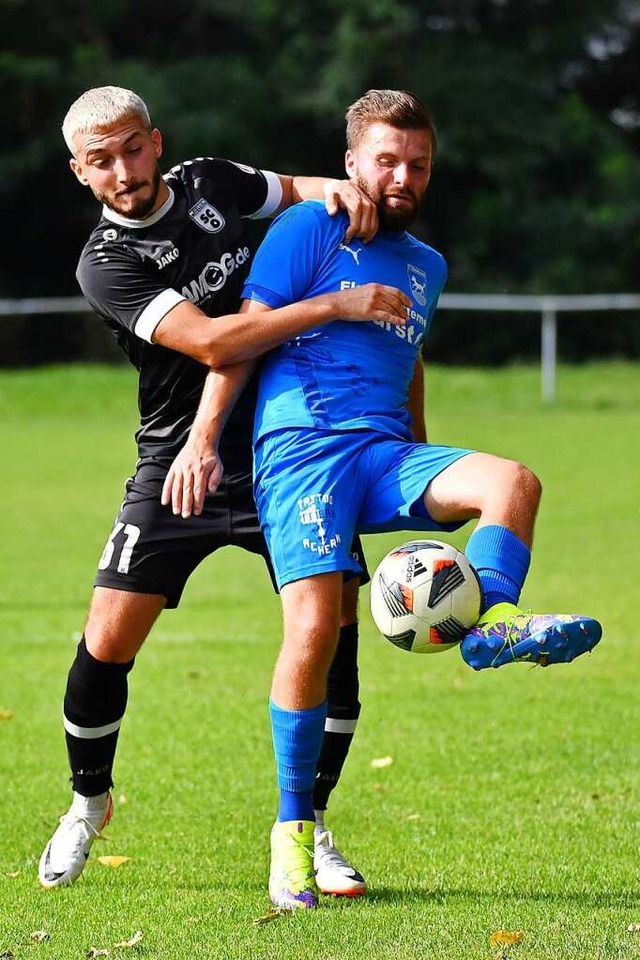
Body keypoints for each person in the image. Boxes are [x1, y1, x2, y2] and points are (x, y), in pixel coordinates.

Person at [169, 88, 602, 910]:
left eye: (419, 164)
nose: (403, 176)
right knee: (313, 631)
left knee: (514, 482)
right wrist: (202, 440)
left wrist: (425, 447)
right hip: (302, 455)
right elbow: (240, 345)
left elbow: (411, 358)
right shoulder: (307, 229)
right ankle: (292, 835)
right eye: (387, 160)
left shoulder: (427, 264)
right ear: (352, 163)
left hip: (388, 454)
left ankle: (490, 625)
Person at [38, 85, 411, 895]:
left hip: (298, 448)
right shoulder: (106, 262)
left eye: (132, 148)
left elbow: (298, 190)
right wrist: (336, 302)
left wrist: (338, 190)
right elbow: (210, 342)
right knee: (108, 637)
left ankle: (308, 827)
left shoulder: (212, 181)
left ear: (156, 141)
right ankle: (87, 802)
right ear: (80, 172)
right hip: (182, 461)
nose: (122, 169)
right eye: (100, 160)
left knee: (334, 638)